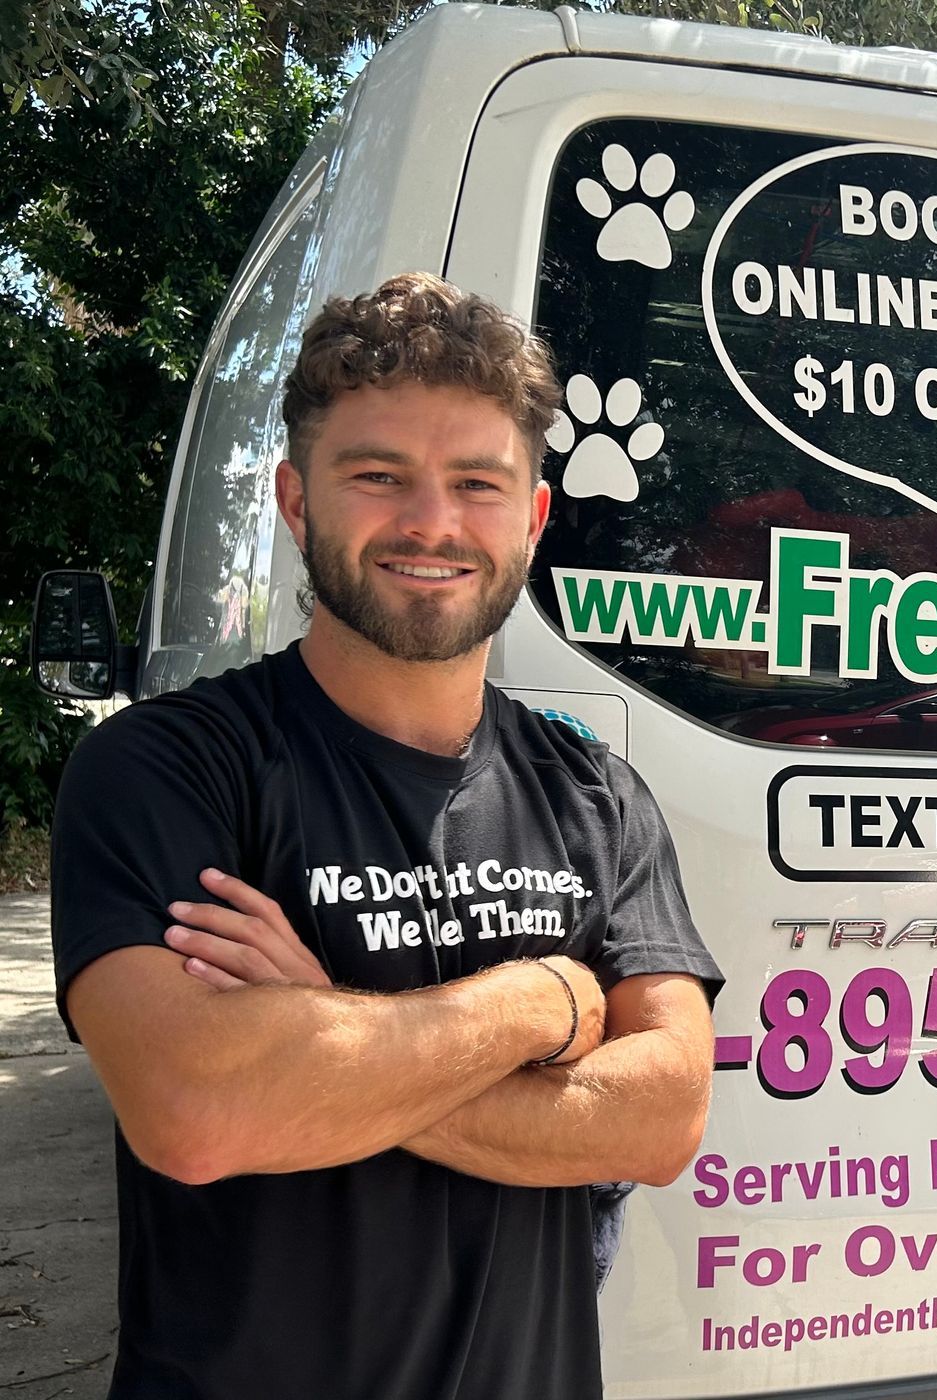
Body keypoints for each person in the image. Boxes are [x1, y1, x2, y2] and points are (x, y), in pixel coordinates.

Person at [49, 273, 722, 1400]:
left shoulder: (598, 796)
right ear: (298, 501)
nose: (432, 522)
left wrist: (319, 1037)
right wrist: (543, 1000)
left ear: (534, 518)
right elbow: (199, 1112)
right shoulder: (168, 768)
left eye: (478, 483)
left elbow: (660, 1117)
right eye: (378, 476)